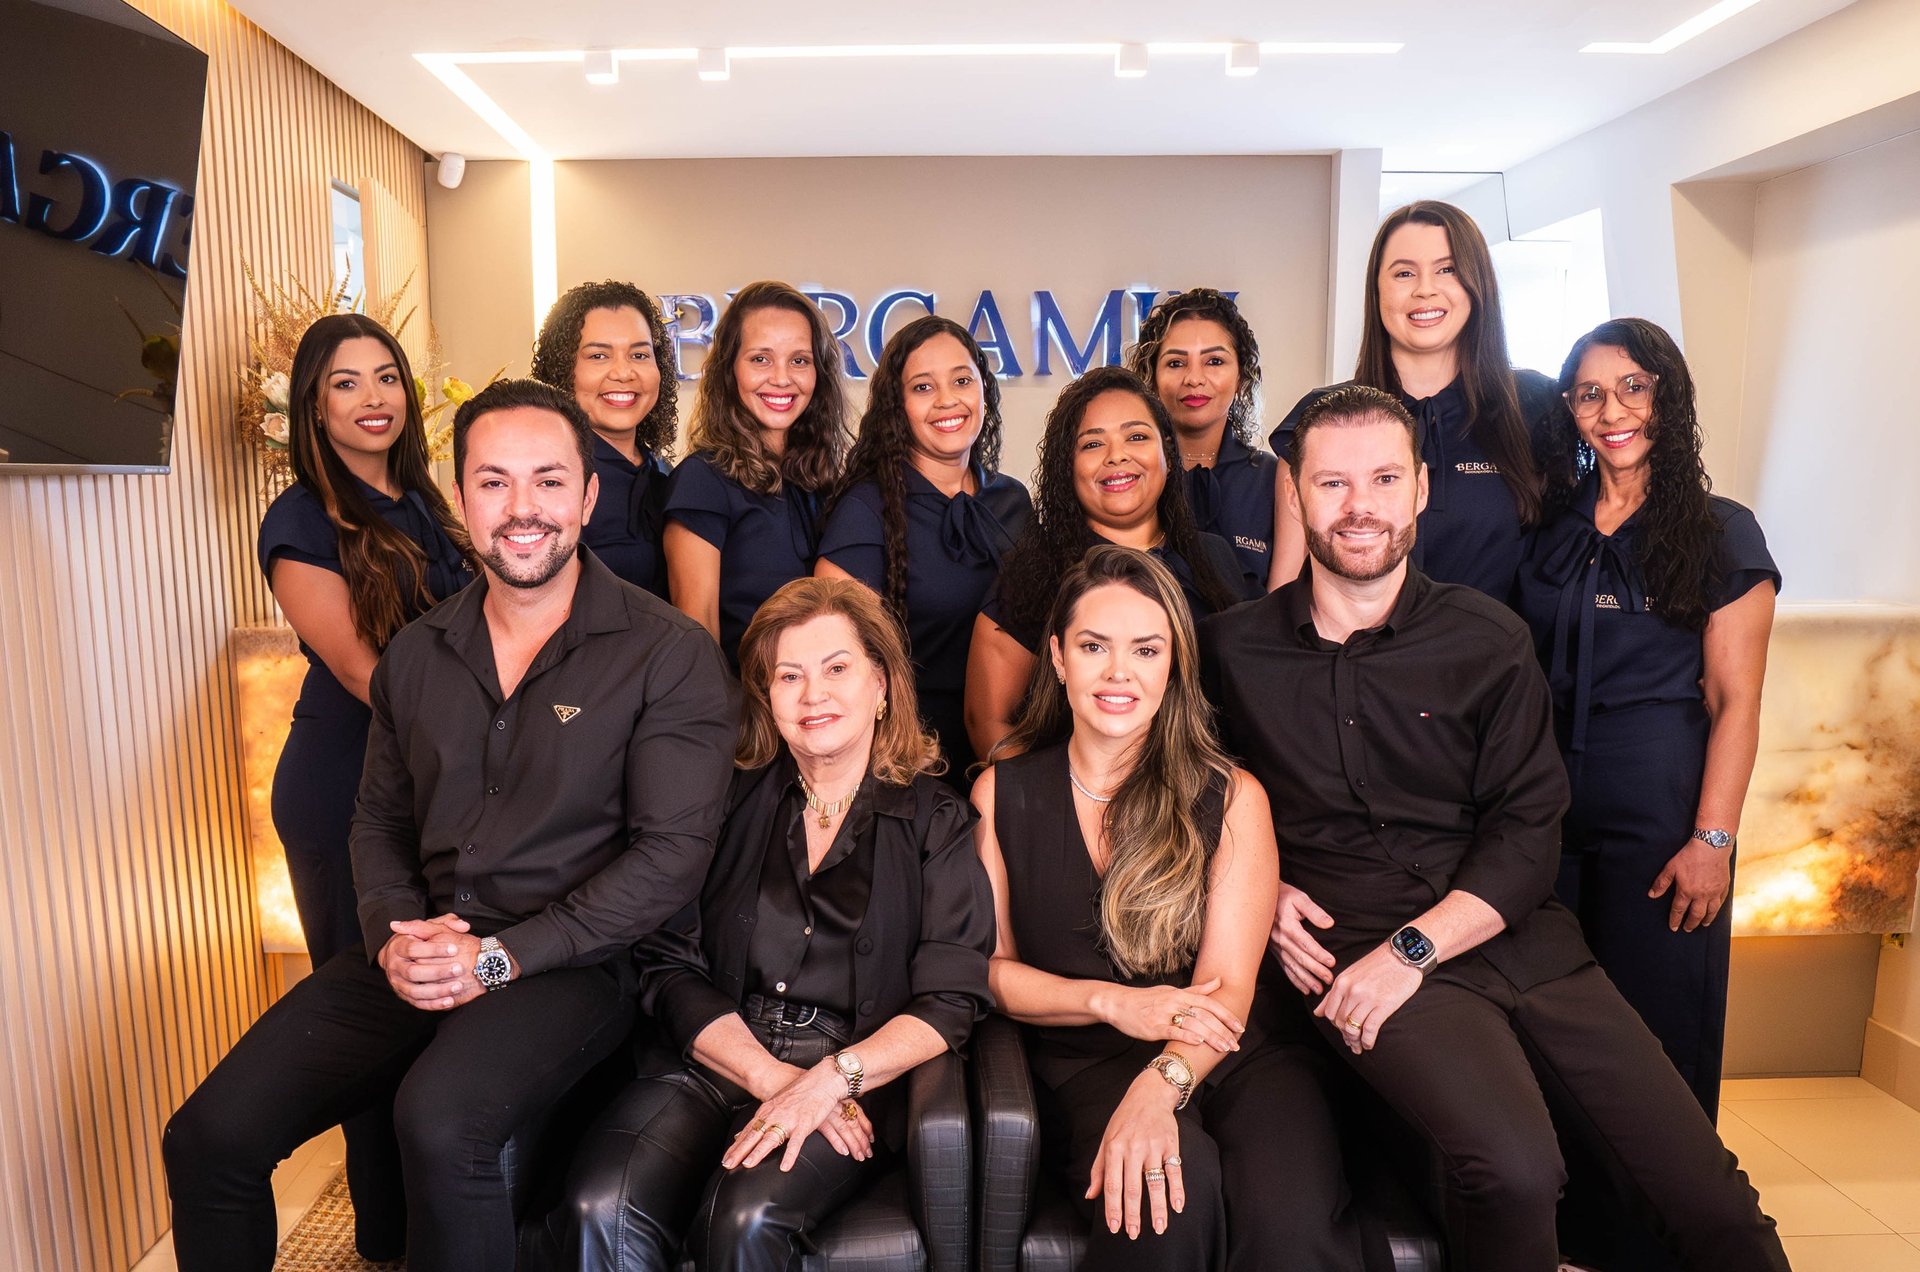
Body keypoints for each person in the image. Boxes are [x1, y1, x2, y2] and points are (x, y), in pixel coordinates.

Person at [1203, 384, 1788, 1272]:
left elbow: (1528, 828)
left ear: (1422, 489)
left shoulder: (1489, 637)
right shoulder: (1230, 650)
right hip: (1356, 954)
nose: (1360, 507)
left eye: (1385, 479)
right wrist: (1263, 890)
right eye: (1332, 484)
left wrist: (1417, 947)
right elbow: (1187, 801)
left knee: (1713, 1203)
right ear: (1296, 492)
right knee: (1515, 1172)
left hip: (1511, 939)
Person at [162, 379, 737, 1272]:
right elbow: (378, 822)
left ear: (588, 497)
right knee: (208, 1136)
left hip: (573, 965)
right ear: (461, 497)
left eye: (548, 481)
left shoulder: (667, 655)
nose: (522, 510)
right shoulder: (418, 656)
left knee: (437, 1122)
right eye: (494, 482)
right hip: (425, 942)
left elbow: (669, 862)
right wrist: (398, 938)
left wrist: (499, 959)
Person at [538, 576, 993, 1270]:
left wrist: (826, 1081)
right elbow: (668, 962)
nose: (814, 695)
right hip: (717, 1056)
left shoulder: (940, 820)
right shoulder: (723, 800)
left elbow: (952, 1000)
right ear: (766, 696)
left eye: (837, 669)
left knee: (744, 1220)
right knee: (598, 1203)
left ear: (882, 685)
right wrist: (772, 1077)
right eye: (790, 676)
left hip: (848, 1076)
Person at [976, 545, 1368, 1270]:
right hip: (1088, 1064)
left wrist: (1163, 1083)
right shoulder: (1002, 794)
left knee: (1291, 1228)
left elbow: (1227, 988)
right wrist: (1111, 1005)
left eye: (1146, 649)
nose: (1118, 673)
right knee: (1164, 1212)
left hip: (1239, 1055)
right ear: (1059, 657)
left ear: (1173, 665)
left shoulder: (1233, 796)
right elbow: (992, 974)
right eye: (1094, 646)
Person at [256, 312, 472, 1257]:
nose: (374, 397)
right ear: (313, 402)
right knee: (371, 1010)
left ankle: (419, 1216)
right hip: (346, 783)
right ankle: (384, 1234)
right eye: (346, 383)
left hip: (434, 782)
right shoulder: (301, 516)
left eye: (386, 377)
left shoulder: (427, 498)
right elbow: (363, 670)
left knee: (430, 1006)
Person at [1267, 201, 1557, 604]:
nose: (1425, 289)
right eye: (1404, 273)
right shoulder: (1322, 418)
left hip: (1498, 661)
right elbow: (1286, 586)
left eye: (1447, 269)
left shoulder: (1535, 405)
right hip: (1353, 662)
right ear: (1377, 290)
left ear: (1477, 284)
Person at [964, 365, 1248, 762]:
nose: (1118, 456)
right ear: (1068, 465)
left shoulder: (1213, 558)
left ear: (1167, 450)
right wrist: (1058, 804)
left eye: (1136, 436)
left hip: (1201, 801)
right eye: (1093, 444)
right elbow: (987, 720)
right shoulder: (1034, 572)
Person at [816, 314, 1032, 786]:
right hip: (909, 763)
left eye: (961, 380)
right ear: (897, 406)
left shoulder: (1013, 501)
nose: (947, 400)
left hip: (1013, 754)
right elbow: (835, 665)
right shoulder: (865, 509)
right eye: (923, 387)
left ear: (983, 389)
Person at [666, 280, 850, 668]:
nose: (782, 378)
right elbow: (698, 639)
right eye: (760, 359)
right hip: (742, 716)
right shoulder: (702, 482)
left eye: (799, 360)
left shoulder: (826, 482)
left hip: (821, 711)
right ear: (730, 370)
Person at [531, 279, 679, 596]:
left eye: (640, 355)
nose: (624, 373)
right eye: (599, 356)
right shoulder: (551, 484)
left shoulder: (664, 473)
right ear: (563, 370)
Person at [1128, 288, 1276, 592]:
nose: (1194, 378)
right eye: (1175, 363)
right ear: (1151, 379)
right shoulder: (1130, 473)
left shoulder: (1271, 479)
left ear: (1241, 378)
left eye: (1214, 361)